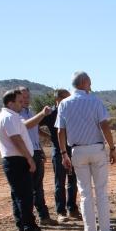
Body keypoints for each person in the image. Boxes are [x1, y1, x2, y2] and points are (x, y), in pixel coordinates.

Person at [56, 71, 116, 231]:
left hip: (77, 151)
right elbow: (104, 125)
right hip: (96, 149)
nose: (91, 85)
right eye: (89, 82)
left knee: (85, 194)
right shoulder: (95, 101)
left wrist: (63, 153)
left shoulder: (64, 104)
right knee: (101, 192)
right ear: (83, 82)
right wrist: (112, 148)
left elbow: (61, 131)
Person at [0, 89, 50, 231]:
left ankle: (23, 226)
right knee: (24, 196)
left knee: (20, 195)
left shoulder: (12, 116)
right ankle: (29, 228)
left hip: (16, 160)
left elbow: (25, 131)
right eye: (19, 101)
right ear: (10, 103)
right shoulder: (8, 117)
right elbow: (16, 139)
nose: (23, 104)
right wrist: (29, 158)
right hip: (16, 161)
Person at [40, 89, 80, 223]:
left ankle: (72, 209)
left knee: (73, 181)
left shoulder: (71, 111)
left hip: (72, 151)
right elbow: (34, 126)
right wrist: (49, 136)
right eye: (66, 97)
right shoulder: (50, 113)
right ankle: (60, 212)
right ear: (58, 99)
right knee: (60, 182)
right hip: (58, 153)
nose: (69, 100)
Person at [18, 86, 56, 226]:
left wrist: (45, 143)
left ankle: (44, 216)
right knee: (27, 188)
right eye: (23, 97)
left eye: (28, 96)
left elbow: (35, 131)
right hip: (25, 154)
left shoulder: (31, 112)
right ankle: (27, 221)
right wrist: (42, 114)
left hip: (36, 151)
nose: (26, 99)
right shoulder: (16, 114)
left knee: (38, 187)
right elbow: (26, 126)